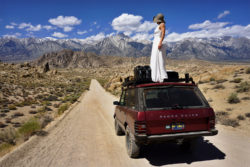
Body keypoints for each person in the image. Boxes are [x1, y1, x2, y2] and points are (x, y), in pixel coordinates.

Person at [150, 13, 168, 82]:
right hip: (155, 43)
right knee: (155, 59)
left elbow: (163, 34)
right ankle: (156, 77)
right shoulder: (159, 25)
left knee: (160, 59)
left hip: (158, 42)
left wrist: (160, 42)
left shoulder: (162, 24)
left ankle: (163, 77)